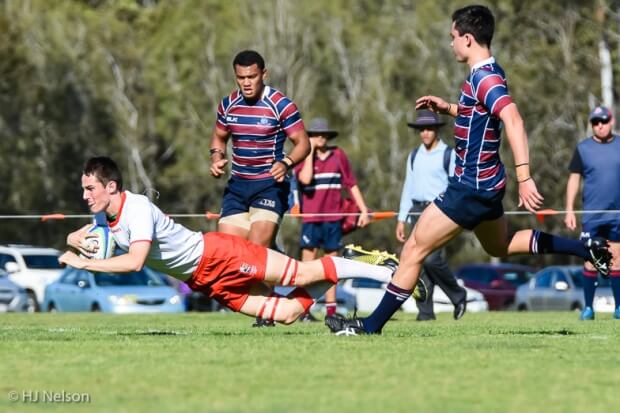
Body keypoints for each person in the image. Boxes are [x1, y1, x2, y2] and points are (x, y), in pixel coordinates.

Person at [325, 4, 613, 335]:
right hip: (487, 187)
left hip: (471, 189)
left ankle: (370, 326)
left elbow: (513, 119)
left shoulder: (486, 78)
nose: (450, 44)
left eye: (452, 37)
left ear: (467, 38)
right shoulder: (488, 73)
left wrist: (525, 176)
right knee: (499, 246)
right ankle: (585, 247)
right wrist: (448, 108)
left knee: (413, 250)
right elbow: (480, 112)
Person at [59, 157, 425, 325]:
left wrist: (85, 262)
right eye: (83, 190)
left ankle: (382, 272)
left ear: (111, 187)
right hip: (203, 280)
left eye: (90, 189)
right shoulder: (103, 213)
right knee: (287, 314)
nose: (85, 196)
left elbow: (135, 261)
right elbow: (96, 233)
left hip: (218, 254)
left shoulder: (136, 208)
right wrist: (73, 237)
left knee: (296, 275)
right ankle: (341, 262)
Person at [209, 50, 310, 326]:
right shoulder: (228, 104)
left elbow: (303, 144)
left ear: (263, 74)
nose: (247, 82)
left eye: (252, 76)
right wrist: (216, 157)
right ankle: (279, 299)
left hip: (269, 187)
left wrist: (287, 162)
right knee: (232, 258)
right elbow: (219, 137)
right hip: (237, 187)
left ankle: (266, 314)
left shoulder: (281, 105)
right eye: (241, 77)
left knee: (253, 254)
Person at [294, 117, 370, 319]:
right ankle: (304, 311)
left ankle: (331, 311)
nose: (319, 137)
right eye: (314, 134)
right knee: (307, 267)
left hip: (333, 219)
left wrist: (363, 210)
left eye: (322, 134)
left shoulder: (338, 155)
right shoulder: (302, 158)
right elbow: (305, 179)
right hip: (310, 220)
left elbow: (351, 184)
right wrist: (309, 153)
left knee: (332, 266)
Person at [397, 109, 466, 321]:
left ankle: (457, 294)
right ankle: (425, 313)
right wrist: (402, 218)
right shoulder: (414, 155)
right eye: (422, 129)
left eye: (429, 129)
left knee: (432, 260)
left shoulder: (448, 155)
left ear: (436, 130)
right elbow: (408, 187)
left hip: (439, 212)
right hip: (416, 211)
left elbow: (457, 185)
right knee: (418, 263)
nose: (425, 133)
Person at [565, 105, 620, 320]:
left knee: (616, 259)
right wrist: (569, 209)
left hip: (617, 215)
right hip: (592, 215)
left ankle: (619, 308)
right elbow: (574, 179)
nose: (599, 126)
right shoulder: (583, 148)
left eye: (603, 121)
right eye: (595, 122)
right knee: (590, 259)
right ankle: (588, 308)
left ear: (611, 121)